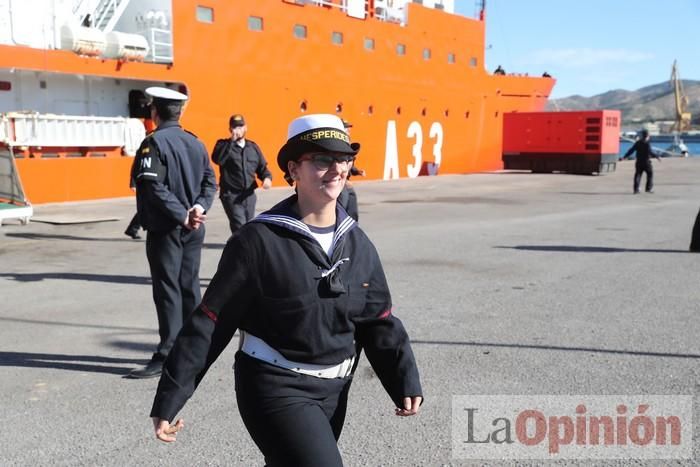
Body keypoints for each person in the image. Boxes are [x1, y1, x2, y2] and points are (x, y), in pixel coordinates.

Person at [149, 114, 423, 466]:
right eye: (322, 160)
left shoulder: (357, 242)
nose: (337, 169)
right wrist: (171, 397)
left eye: (343, 159)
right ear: (293, 169)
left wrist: (402, 378)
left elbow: (378, 318)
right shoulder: (257, 241)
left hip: (335, 389)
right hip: (276, 386)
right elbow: (211, 322)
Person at [128, 87, 217, 379]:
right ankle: (194, 351)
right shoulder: (196, 142)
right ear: (180, 112)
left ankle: (167, 353)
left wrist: (181, 215)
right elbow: (209, 182)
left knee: (168, 289)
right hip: (194, 227)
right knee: (189, 286)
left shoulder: (152, 143)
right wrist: (198, 209)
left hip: (167, 228)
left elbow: (153, 186)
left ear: (154, 112)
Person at [211, 114, 272, 236]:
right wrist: (231, 143)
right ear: (230, 129)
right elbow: (218, 160)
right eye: (235, 127)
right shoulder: (222, 145)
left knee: (249, 225)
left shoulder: (253, 147)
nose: (238, 130)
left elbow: (262, 167)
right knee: (240, 225)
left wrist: (267, 178)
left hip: (249, 195)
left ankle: (244, 249)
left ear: (246, 128)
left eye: (240, 127)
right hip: (231, 195)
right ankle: (243, 252)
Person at [337, 119, 365, 221]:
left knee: (352, 209)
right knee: (342, 210)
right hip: (340, 183)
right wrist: (344, 181)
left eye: (348, 128)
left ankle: (352, 230)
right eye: (346, 128)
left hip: (346, 183)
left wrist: (357, 171)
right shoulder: (336, 146)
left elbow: (350, 163)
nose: (348, 130)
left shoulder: (347, 144)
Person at [622, 129, 660, 194]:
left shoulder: (638, 143)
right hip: (646, 162)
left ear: (642, 136)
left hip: (639, 162)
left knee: (638, 175)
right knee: (650, 174)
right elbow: (650, 152)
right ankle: (648, 189)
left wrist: (625, 157)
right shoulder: (647, 144)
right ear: (648, 136)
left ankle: (636, 190)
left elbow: (631, 150)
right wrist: (657, 156)